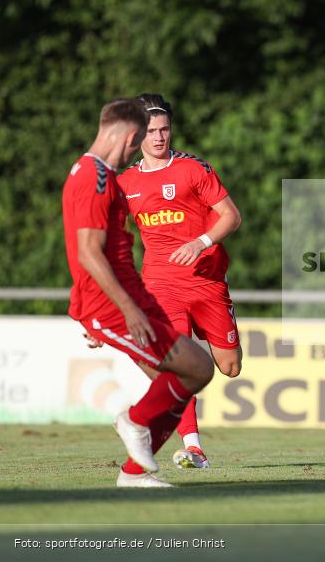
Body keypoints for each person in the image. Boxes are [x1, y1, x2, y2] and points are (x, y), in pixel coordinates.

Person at [63, 98, 215, 488]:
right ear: (130, 135)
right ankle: (133, 423)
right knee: (192, 370)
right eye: (137, 143)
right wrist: (125, 310)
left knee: (186, 376)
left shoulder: (97, 173)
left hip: (129, 298)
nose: (135, 153)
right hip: (112, 306)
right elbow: (88, 253)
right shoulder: (94, 178)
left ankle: (135, 471)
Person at [116, 93, 243, 470]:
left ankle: (209, 328)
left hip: (206, 280)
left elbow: (232, 217)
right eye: (151, 131)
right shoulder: (126, 183)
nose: (159, 137)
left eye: (164, 129)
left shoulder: (192, 169)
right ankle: (193, 447)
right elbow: (116, 242)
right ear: (137, 134)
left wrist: (200, 242)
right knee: (179, 367)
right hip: (161, 285)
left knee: (230, 367)